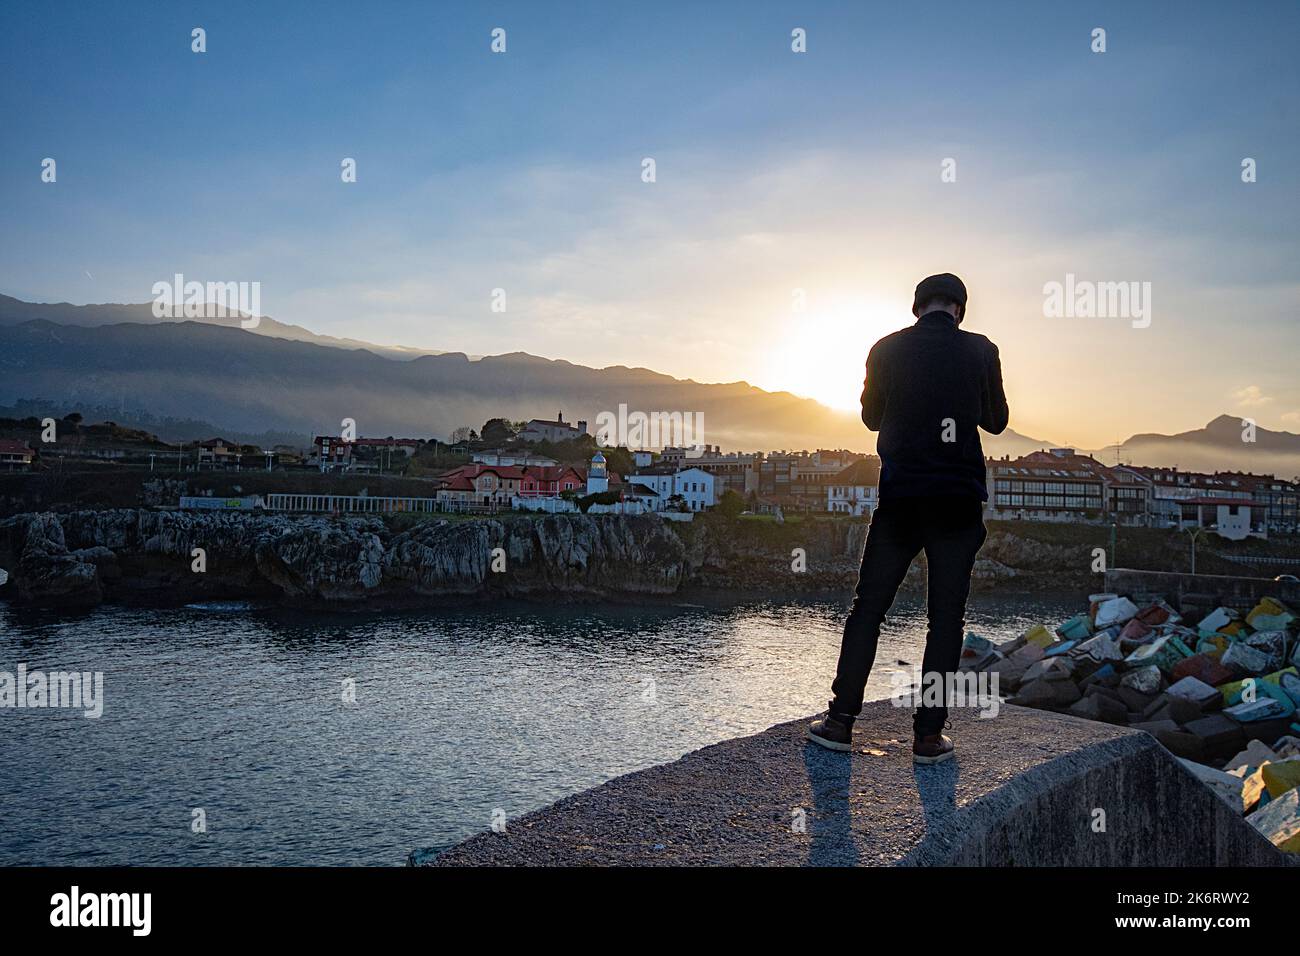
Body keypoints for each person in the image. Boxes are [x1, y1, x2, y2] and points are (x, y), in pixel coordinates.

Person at [807, 273, 1009, 763]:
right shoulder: (982, 350)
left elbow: (872, 419)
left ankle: (839, 722)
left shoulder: (885, 349)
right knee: (945, 619)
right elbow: (996, 420)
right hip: (957, 502)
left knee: (868, 609)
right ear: (959, 308)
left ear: (917, 306)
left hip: (901, 498)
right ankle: (927, 737)